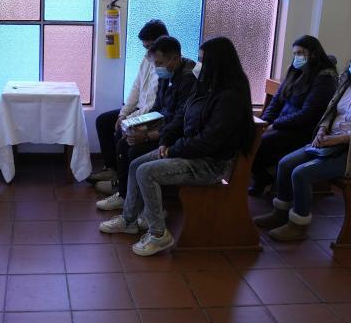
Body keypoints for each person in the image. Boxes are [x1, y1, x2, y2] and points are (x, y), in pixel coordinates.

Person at [99, 37, 255, 256]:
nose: (197, 65)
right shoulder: (205, 86)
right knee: (136, 163)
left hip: (209, 164)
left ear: (218, 63)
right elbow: (180, 116)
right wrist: (165, 140)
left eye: (203, 60)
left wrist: (173, 149)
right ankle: (129, 220)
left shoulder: (230, 98)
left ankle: (158, 234)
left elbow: (208, 141)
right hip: (190, 152)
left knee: (146, 172)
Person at [253, 38, 351, 242]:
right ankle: (280, 211)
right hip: (329, 143)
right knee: (285, 163)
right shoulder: (348, 84)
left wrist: (339, 139)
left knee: (301, 173)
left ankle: (298, 224)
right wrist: (323, 130)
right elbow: (331, 113)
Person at [95, 35, 197, 212]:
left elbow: (179, 121)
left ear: (175, 58)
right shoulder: (168, 73)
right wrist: (139, 124)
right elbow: (158, 107)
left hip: (175, 136)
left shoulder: (188, 80)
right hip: (163, 128)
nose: (156, 68)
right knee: (124, 140)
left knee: (134, 150)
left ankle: (136, 201)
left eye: (159, 63)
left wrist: (148, 135)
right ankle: (124, 194)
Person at [250, 35, 338, 196]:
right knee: (252, 136)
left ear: (313, 54)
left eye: (300, 53)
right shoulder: (295, 71)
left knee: (260, 143)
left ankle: (264, 179)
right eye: (295, 53)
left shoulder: (325, 78)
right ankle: (264, 176)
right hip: (283, 124)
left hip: (303, 130)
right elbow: (276, 101)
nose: (297, 57)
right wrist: (265, 122)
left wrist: (275, 125)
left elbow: (309, 114)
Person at [88, 19, 168, 185]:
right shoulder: (147, 59)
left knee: (122, 131)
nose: (147, 52)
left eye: (150, 47)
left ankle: (119, 181)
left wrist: (129, 119)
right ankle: (111, 169)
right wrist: (123, 113)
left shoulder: (165, 65)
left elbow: (154, 105)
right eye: (145, 47)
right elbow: (136, 88)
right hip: (140, 109)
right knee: (103, 121)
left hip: (152, 115)